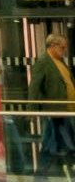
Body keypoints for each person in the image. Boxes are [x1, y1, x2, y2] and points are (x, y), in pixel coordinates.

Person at [27, 33, 75, 174]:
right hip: (55, 112)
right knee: (52, 146)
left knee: (61, 145)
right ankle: (40, 177)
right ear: (53, 46)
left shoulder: (59, 61)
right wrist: (31, 111)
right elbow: (34, 87)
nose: (65, 50)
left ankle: (53, 175)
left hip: (66, 111)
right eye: (62, 47)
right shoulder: (43, 62)